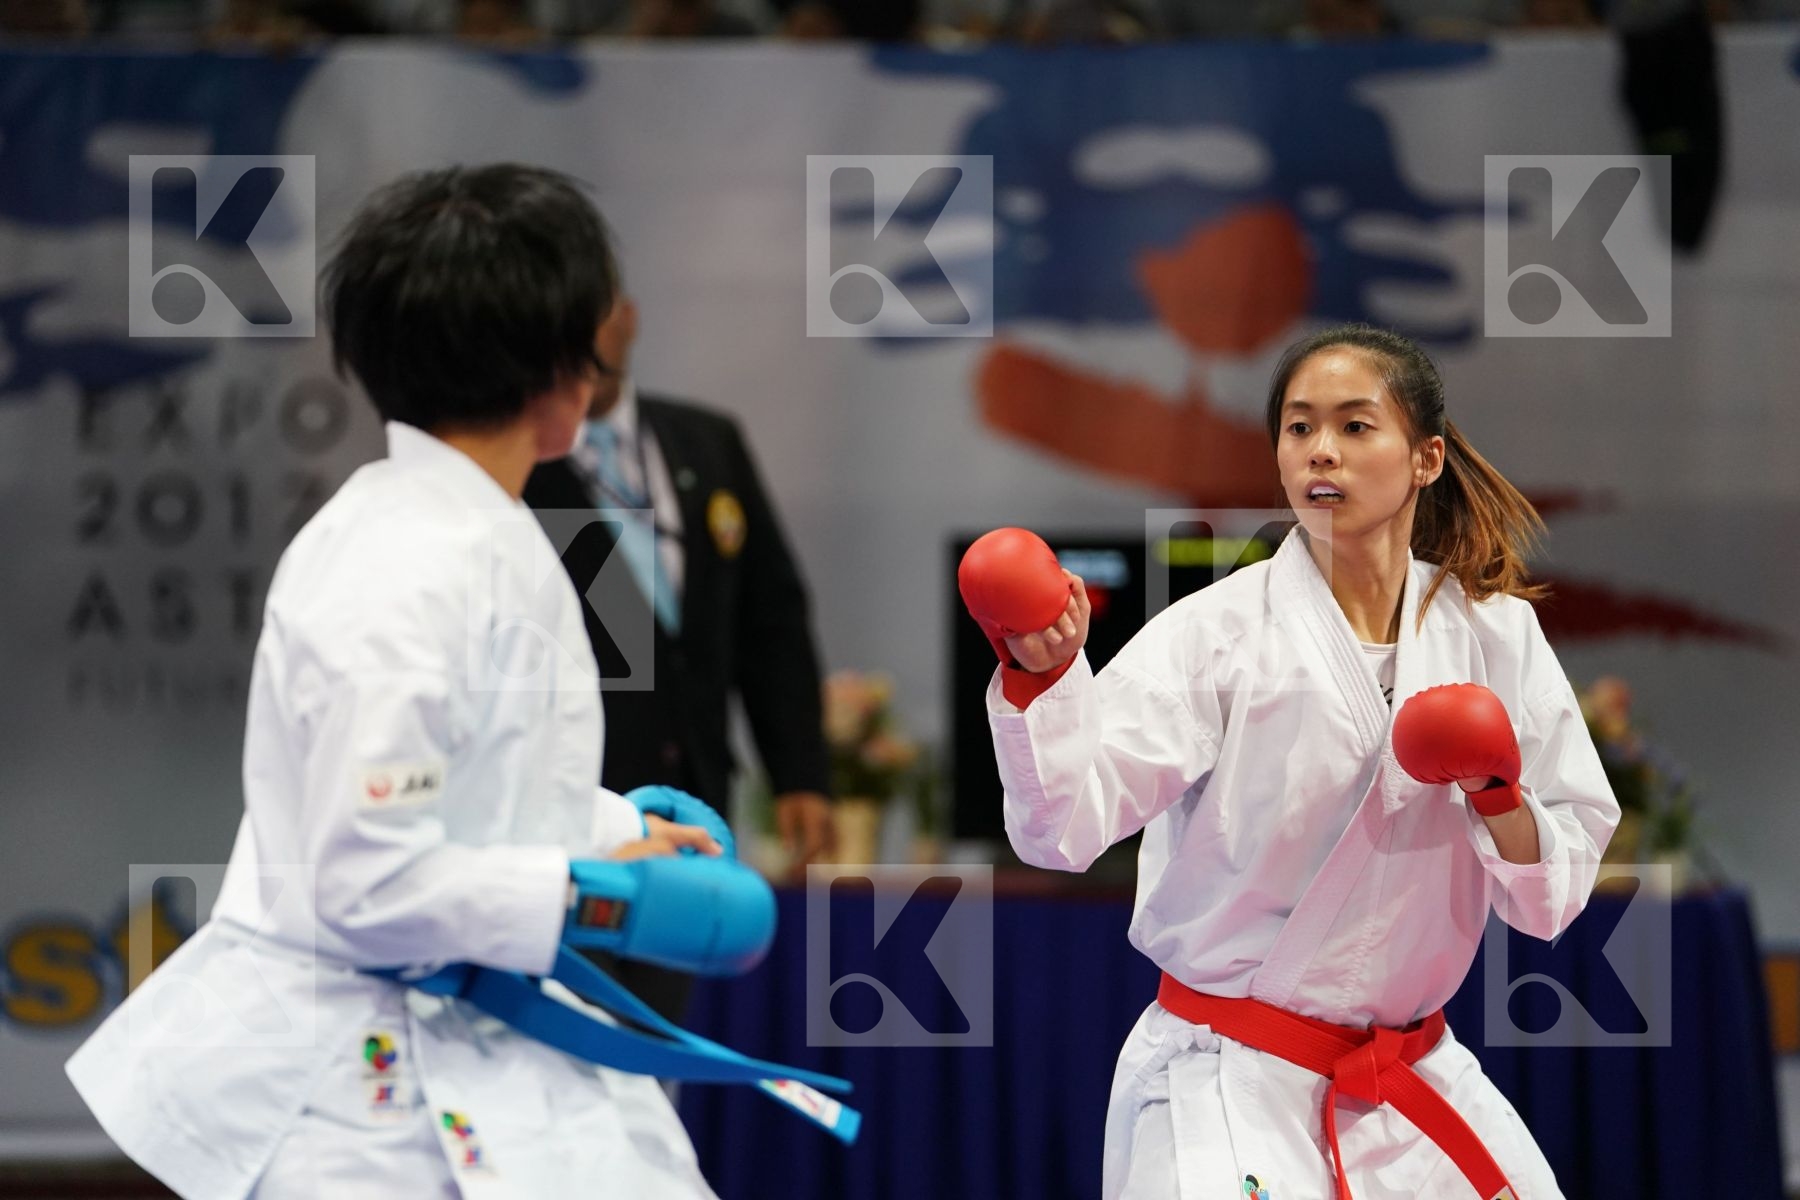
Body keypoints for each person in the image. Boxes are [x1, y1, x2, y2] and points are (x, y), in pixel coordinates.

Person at [66, 164, 728, 1200]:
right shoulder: (401, 565)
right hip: (368, 1108)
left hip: (464, 1046)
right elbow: (367, 875)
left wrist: (611, 831)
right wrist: (603, 896)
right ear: (564, 368)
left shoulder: (473, 528)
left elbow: (471, 792)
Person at [959, 323, 1619, 1199]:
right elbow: (1063, 830)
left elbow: (1552, 900)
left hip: (1410, 1077)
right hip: (1227, 1078)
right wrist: (1040, 678)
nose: (1321, 453)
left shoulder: (1495, 632)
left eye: (1354, 426)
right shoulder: (1217, 633)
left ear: (1425, 458)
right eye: (1299, 428)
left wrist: (1498, 793)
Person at [524, 290, 834, 1022]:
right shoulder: (522, 468)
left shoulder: (707, 442)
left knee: (661, 1043)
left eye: (590, 308)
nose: (578, 340)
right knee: (570, 1045)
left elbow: (771, 619)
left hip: (691, 808)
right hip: (572, 819)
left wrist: (801, 773)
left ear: (627, 315)